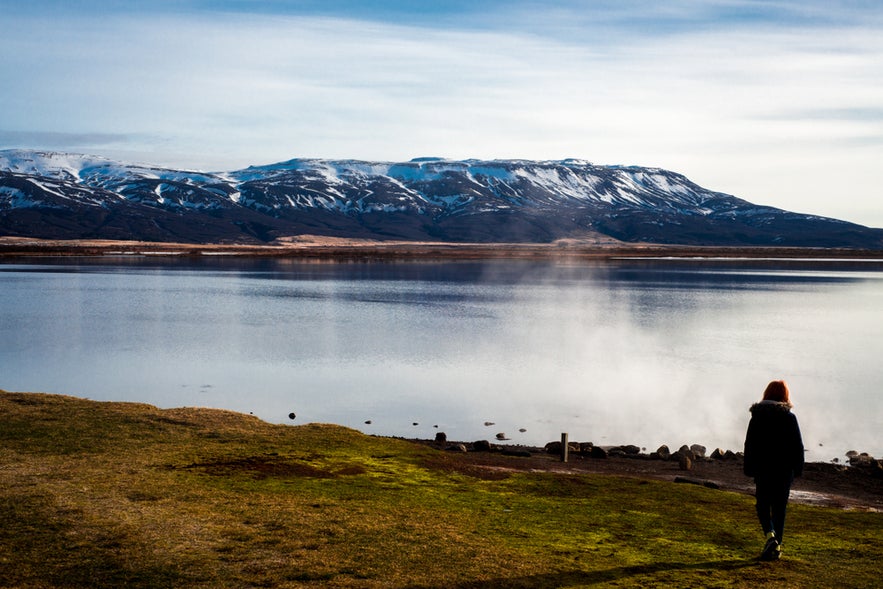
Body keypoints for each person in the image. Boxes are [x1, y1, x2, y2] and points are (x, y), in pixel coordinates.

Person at [743, 380, 804, 561]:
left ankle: (770, 537)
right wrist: (798, 468)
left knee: (762, 506)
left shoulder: (757, 416)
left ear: (767, 394)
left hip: (763, 469)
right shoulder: (789, 417)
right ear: (785, 395)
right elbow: (797, 446)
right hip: (784, 471)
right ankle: (776, 547)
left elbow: (749, 444)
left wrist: (749, 467)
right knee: (779, 509)